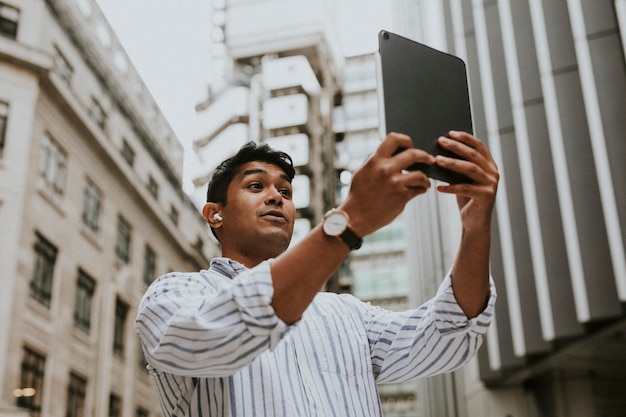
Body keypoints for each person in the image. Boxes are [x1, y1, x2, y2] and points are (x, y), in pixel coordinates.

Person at [135, 131, 499, 417]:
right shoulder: (175, 295)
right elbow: (211, 338)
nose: (276, 197)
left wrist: (476, 228)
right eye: (256, 186)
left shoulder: (346, 313)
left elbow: (448, 334)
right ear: (215, 214)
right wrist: (348, 222)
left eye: (285, 190)